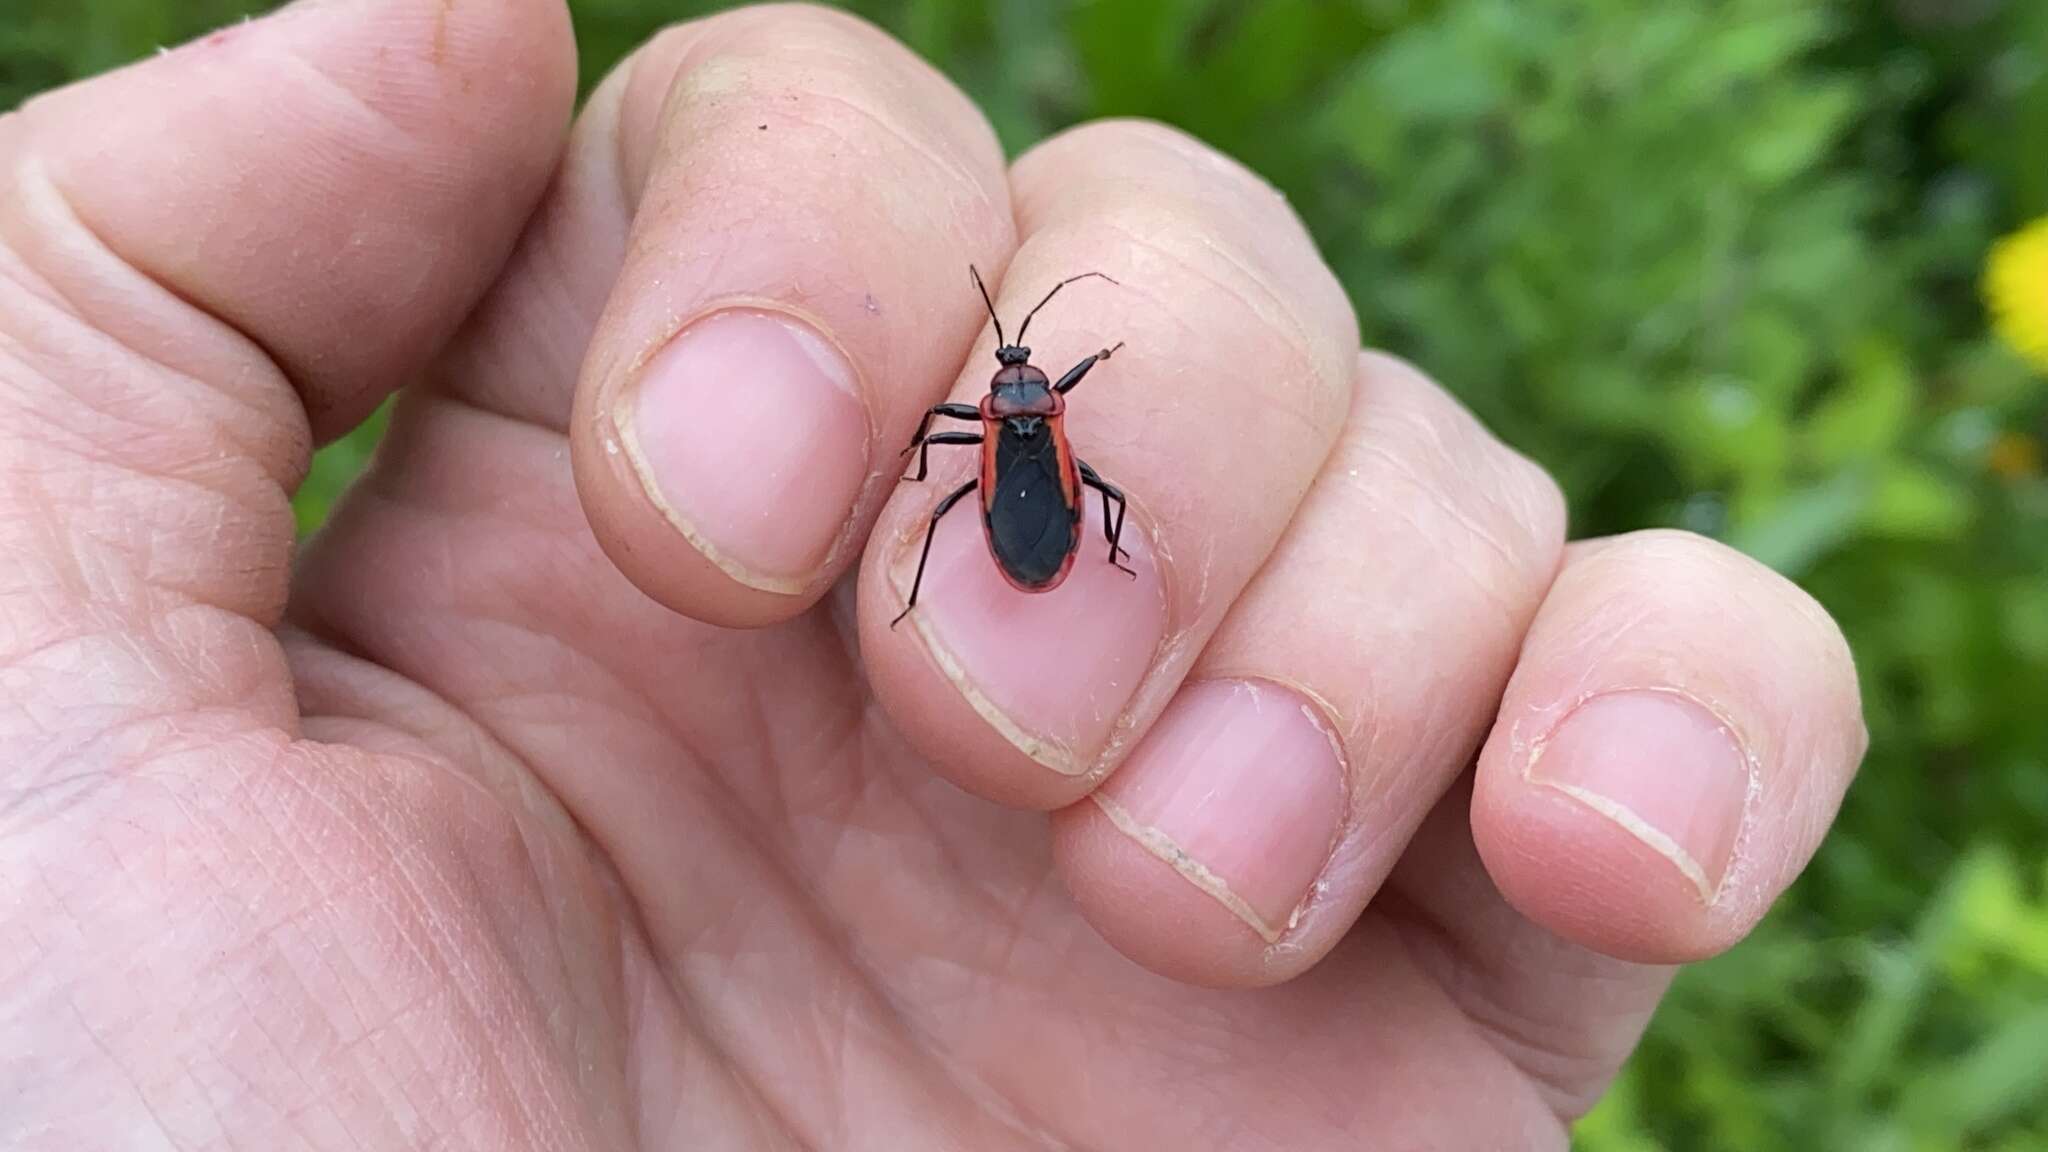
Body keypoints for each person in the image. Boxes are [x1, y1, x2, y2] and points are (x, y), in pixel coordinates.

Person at [0, 1, 1868, 1147]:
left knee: (1094, 519)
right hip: (1037, 555)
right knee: (1084, 526)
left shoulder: (1011, 432)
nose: (1025, 392)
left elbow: (1008, 467)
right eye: (1023, 379)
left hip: (1043, 571)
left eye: (1028, 377)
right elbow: (1002, 470)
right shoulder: (1004, 432)